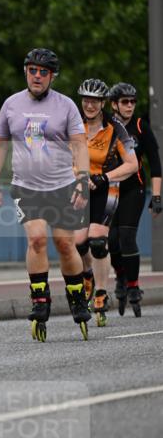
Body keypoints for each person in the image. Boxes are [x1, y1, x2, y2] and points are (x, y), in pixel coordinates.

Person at [0, 47, 92, 342]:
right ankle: (40, 299)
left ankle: (76, 297)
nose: (37, 76)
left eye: (44, 72)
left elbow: (80, 145)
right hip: (25, 186)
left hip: (61, 186)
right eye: (33, 70)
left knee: (66, 245)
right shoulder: (11, 105)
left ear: (52, 76)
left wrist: (82, 179)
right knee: (37, 239)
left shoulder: (66, 106)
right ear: (25, 72)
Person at [72, 79, 137, 326]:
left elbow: (132, 165)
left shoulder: (115, 128)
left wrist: (103, 177)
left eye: (95, 101)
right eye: (86, 99)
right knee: (78, 243)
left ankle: (100, 293)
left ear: (102, 103)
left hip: (106, 187)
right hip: (79, 188)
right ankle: (87, 273)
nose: (89, 105)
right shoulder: (72, 124)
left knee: (98, 242)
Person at [107, 81, 162, 316]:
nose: (129, 106)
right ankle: (120, 276)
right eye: (124, 102)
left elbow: (155, 164)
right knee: (111, 240)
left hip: (134, 190)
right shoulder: (106, 126)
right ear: (114, 105)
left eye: (132, 102)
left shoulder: (141, 126)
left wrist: (157, 196)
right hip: (109, 190)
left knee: (127, 237)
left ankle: (133, 285)